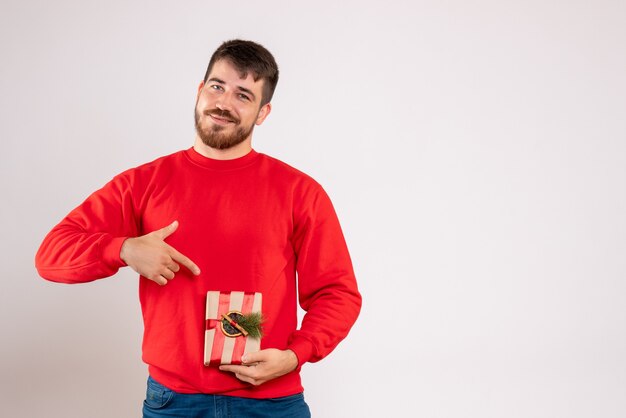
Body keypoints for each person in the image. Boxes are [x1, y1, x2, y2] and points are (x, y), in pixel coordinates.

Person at [35, 39, 361, 418]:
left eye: (243, 94)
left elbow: (339, 293)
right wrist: (123, 249)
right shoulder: (143, 183)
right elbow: (50, 256)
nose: (224, 102)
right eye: (217, 86)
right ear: (199, 91)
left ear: (262, 112)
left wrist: (295, 354)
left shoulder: (299, 192)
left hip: (271, 402)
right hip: (174, 402)